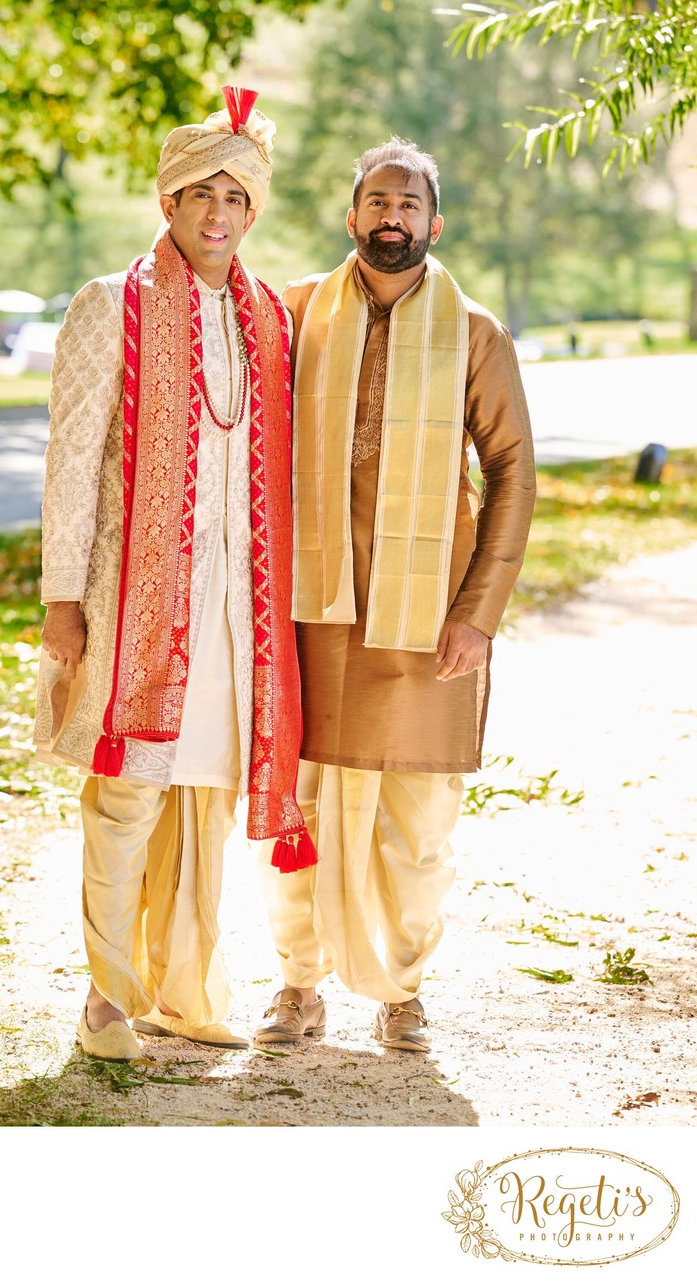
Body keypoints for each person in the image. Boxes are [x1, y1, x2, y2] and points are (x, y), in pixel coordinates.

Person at [33, 87, 314, 1063]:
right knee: (126, 794)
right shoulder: (111, 305)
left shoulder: (268, 320)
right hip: (132, 606)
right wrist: (62, 600)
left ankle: (183, 992)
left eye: (236, 199)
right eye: (201, 193)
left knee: (204, 798)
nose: (218, 215)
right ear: (169, 202)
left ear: (251, 212)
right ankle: (107, 998)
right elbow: (71, 463)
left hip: (235, 614)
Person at [255, 138, 536, 1051]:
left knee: (416, 827)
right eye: (377, 201)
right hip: (309, 614)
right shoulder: (295, 313)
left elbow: (511, 473)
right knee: (296, 808)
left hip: (425, 625)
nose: (392, 217)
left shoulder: (474, 332)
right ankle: (297, 984)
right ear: (351, 216)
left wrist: (476, 614)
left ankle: (402, 989)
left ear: (433, 223)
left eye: (408, 205)